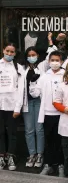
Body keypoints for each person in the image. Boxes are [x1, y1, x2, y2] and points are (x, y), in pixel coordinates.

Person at [29, 51, 65, 177]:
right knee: (49, 141)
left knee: (60, 141)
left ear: (61, 61)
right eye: (52, 60)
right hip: (48, 114)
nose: (55, 62)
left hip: (62, 114)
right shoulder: (44, 76)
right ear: (48, 61)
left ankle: (61, 166)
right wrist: (32, 83)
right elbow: (35, 94)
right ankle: (48, 165)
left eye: (57, 60)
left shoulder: (65, 74)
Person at [22, 39, 57, 168]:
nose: (32, 57)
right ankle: (31, 154)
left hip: (39, 101)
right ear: (26, 57)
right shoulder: (22, 68)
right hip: (27, 102)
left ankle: (40, 154)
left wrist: (51, 42)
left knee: (39, 129)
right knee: (29, 130)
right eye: (29, 55)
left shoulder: (42, 66)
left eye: (34, 55)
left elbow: (51, 55)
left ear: (37, 56)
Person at [0, 43, 25, 171]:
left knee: (12, 132)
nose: (9, 54)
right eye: (7, 51)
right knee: (0, 132)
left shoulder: (18, 68)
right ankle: (1, 156)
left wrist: (17, 107)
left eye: (12, 52)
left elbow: (21, 89)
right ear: (3, 50)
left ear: (15, 53)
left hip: (12, 105)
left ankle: (10, 156)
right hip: (0, 104)